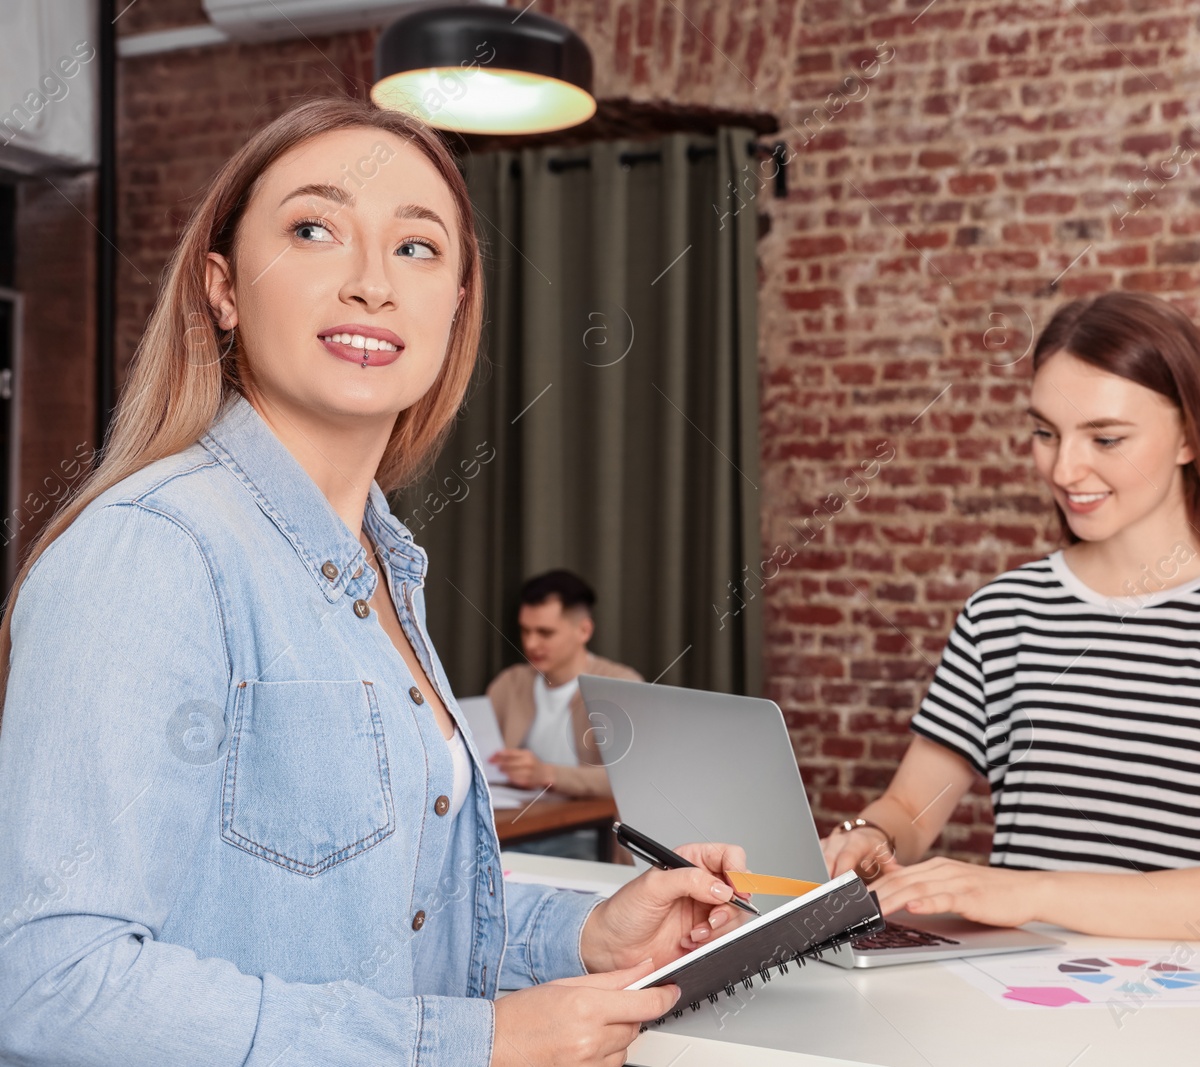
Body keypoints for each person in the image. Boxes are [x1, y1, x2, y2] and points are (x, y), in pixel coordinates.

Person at [0, 97, 751, 1067]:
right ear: (223, 287)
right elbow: (51, 983)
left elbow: (376, 914)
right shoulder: (153, 551)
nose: (370, 284)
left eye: (417, 248)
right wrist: (474, 1041)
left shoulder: (380, 566)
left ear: (458, 304)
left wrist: (585, 936)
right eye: (314, 230)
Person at [823, 291, 1200, 941]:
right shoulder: (1001, 614)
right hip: (1014, 1000)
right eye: (1045, 432)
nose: (1064, 469)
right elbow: (909, 808)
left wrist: (1031, 890)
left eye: (1106, 436)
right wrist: (869, 833)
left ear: (1188, 436)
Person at [487, 569, 642, 858]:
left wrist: (546, 774)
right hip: (515, 831)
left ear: (583, 630)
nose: (531, 644)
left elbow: (631, 778)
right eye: (525, 630)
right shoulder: (509, 684)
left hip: (588, 837)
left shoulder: (620, 685)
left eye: (545, 633)